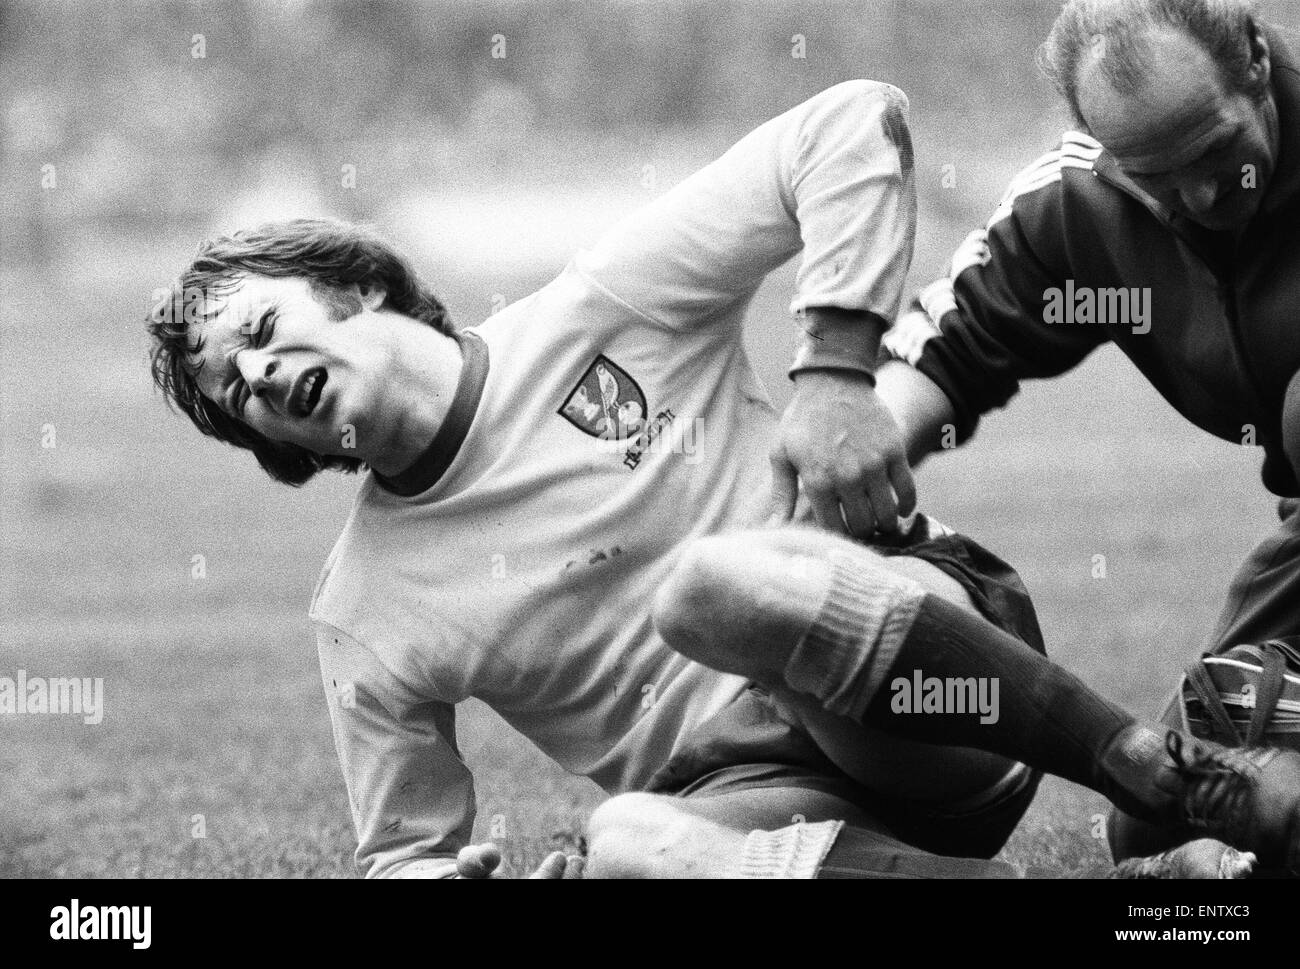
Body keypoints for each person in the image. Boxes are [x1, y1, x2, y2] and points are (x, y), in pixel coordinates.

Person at [147, 81, 1300, 878]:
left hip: (922, 674)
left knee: (714, 592)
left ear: (348, 285)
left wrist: (837, 375)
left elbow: (851, 122)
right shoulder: (360, 614)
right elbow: (405, 852)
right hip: (761, 800)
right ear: (284, 449)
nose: (257, 373)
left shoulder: (604, 306)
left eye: (259, 328)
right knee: (628, 847)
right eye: (234, 390)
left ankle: (1137, 767)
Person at [858, 0, 1300, 864]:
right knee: (1158, 819)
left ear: (1252, 56)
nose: (1200, 196)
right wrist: (861, 441)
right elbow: (949, 345)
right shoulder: (1081, 200)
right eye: (1157, 176)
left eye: (1214, 151)